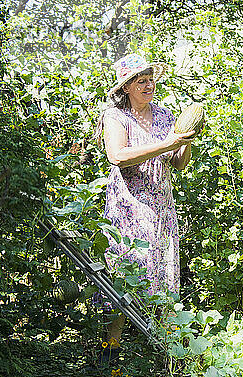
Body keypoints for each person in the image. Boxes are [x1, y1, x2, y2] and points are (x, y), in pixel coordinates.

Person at [94, 53, 194, 360]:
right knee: (123, 275)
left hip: (161, 207)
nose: (149, 84)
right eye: (141, 80)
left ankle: (163, 352)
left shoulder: (164, 115)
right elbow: (118, 156)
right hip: (128, 208)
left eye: (150, 79)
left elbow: (178, 163)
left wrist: (185, 140)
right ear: (126, 87)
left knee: (163, 274)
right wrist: (167, 144)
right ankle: (112, 350)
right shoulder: (116, 117)